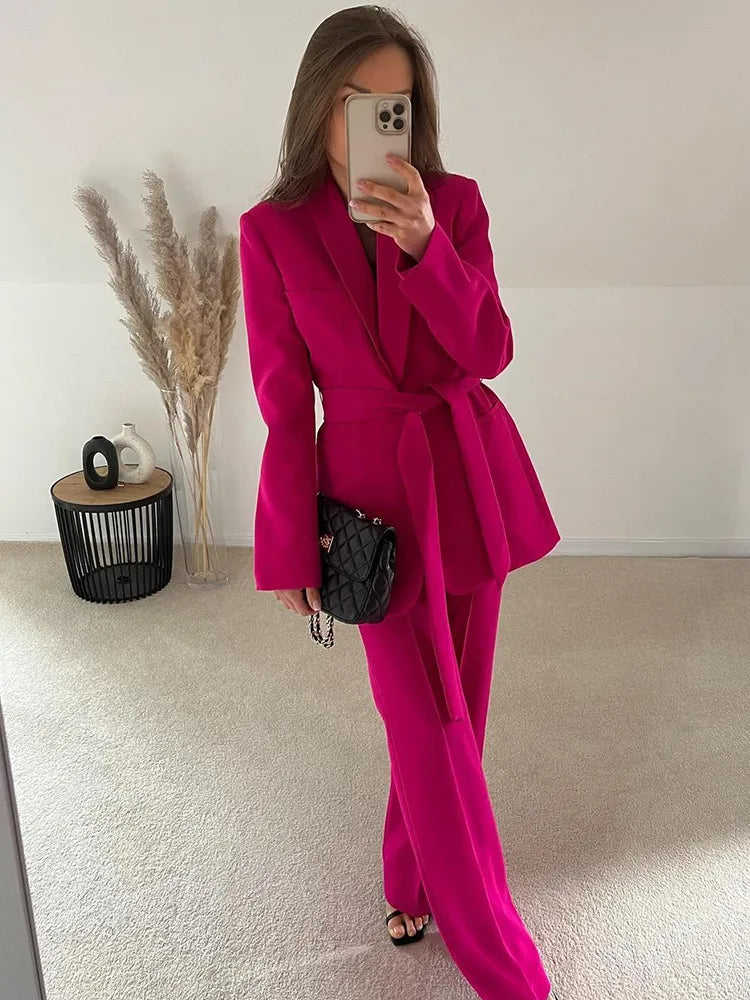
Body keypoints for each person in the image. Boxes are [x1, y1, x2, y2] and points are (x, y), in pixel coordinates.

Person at [239, 7, 561, 1000]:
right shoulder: (271, 232)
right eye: (358, 99)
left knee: (462, 704)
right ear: (319, 103)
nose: (380, 119)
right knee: (425, 723)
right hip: (371, 508)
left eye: (398, 103)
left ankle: (409, 876)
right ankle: (500, 960)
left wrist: (427, 247)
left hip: (466, 472)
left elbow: (491, 350)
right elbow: (283, 405)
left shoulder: (452, 205)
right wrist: (288, 546)